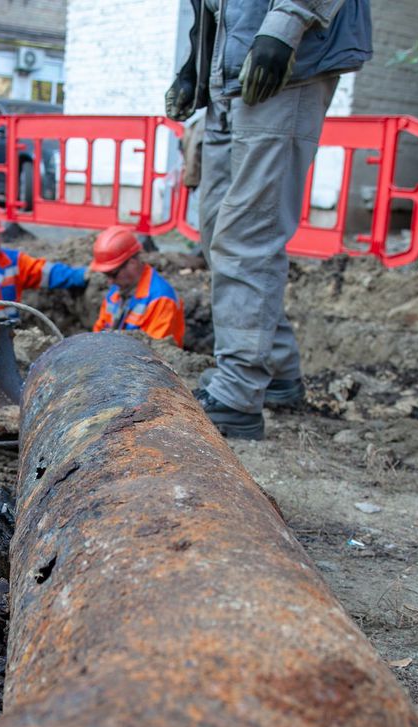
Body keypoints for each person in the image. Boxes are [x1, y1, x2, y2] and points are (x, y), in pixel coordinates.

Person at [165, 0, 372, 439]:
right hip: (227, 75)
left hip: (286, 66)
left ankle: (238, 396)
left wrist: (287, 23)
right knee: (218, 231)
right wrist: (193, 65)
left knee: (247, 233)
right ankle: (275, 371)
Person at [89, 226, 185, 348]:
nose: (109, 281)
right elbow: (99, 330)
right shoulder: (118, 288)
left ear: (131, 263)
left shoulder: (161, 299)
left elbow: (155, 353)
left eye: (112, 274)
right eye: (106, 275)